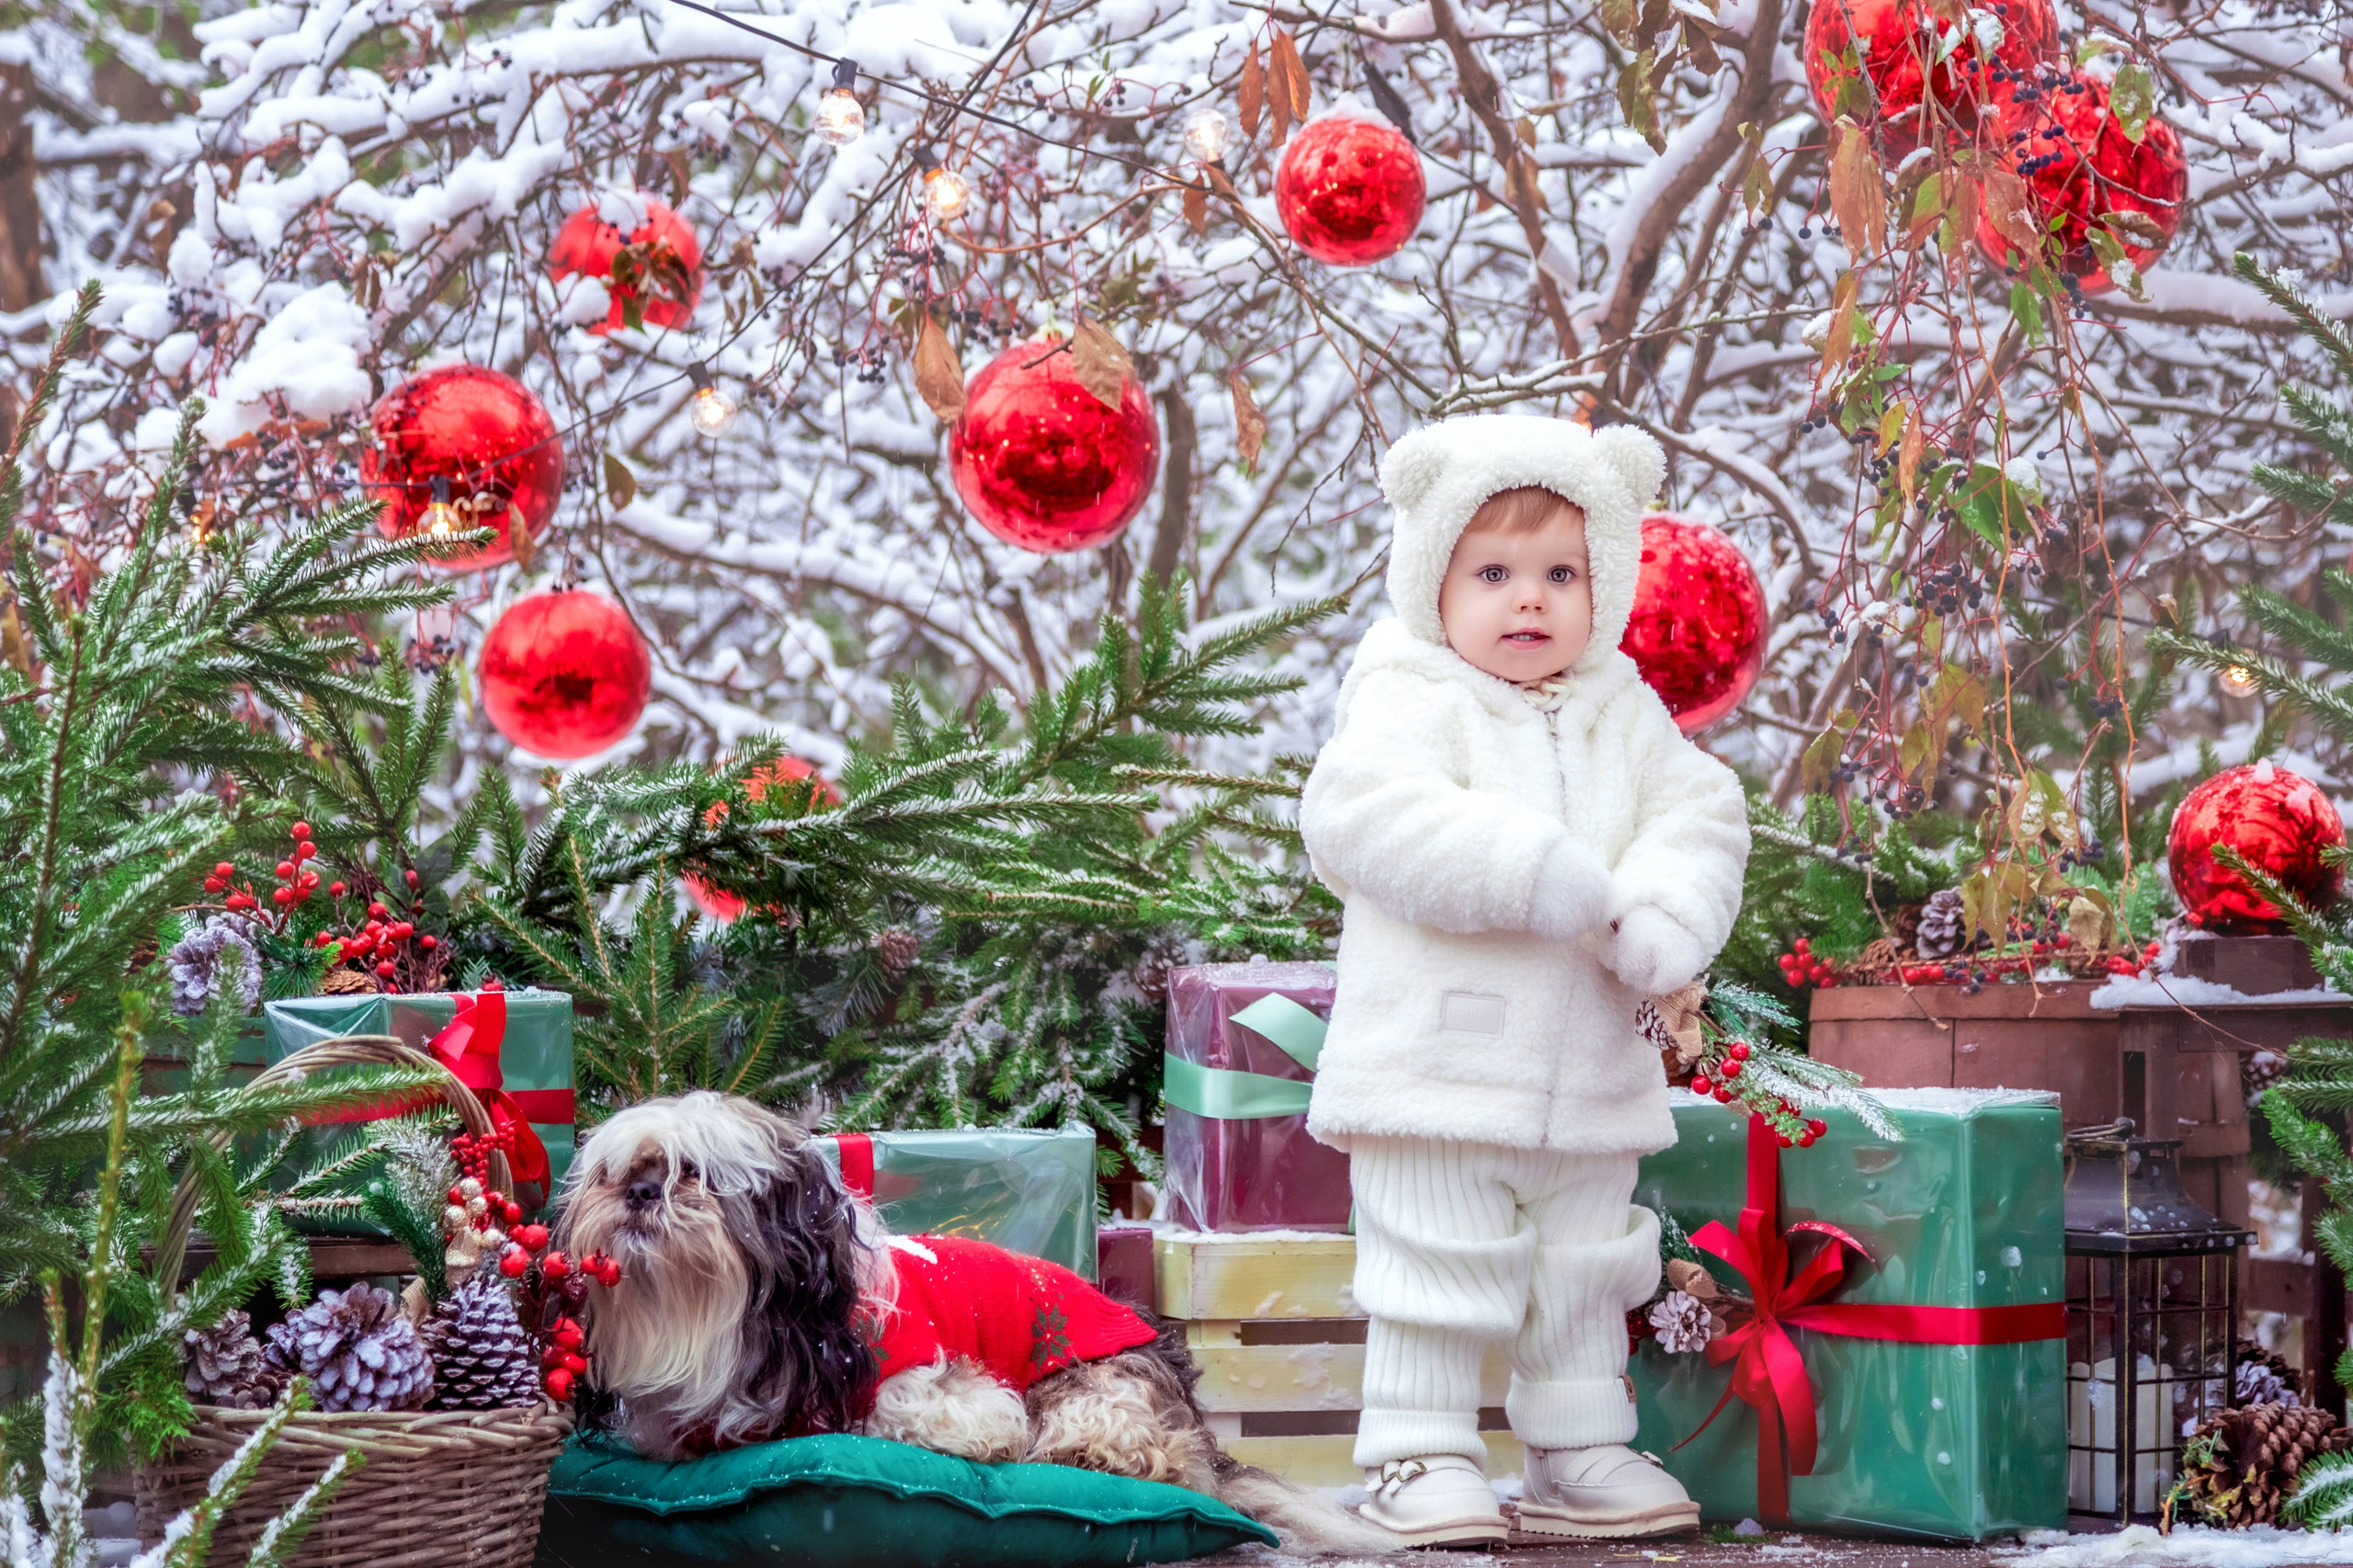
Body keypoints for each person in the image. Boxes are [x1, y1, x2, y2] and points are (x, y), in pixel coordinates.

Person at [1299, 415, 1749, 1545]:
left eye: (1561, 572)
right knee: (1433, 1257)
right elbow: (1364, 818)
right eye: (1492, 571)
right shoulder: (1407, 691)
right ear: (1431, 578)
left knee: (1587, 1270)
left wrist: (1660, 913)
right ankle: (1419, 1447)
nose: (1529, 599)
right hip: (1439, 1062)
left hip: (1592, 1069)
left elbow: (1700, 813)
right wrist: (1532, 870)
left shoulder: (1624, 709)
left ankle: (1576, 1441)